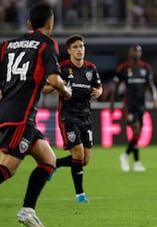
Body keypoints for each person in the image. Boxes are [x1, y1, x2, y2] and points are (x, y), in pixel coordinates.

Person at [0, 2, 72, 227]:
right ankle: (27, 210)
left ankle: (28, 210)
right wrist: (65, 90)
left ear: (29, 22)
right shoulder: (46, 44)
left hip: (10, 113)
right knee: (7, 169)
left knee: (48, 160)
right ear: (50, 23)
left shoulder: (7, 45)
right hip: (21, 116)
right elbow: (53, 77)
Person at [44, 34, 103, 203]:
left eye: (81, 46)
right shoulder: (61, 68)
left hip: (85, 116)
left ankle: (54, 163)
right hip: (68, 116)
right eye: (75, 47)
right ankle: (80, 195)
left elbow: (98, 88)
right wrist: (57, 86)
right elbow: (45, 88)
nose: (79, 49)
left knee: (84, 160)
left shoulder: (91, 69)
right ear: (69, 51)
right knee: (78, 153)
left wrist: (99, 92)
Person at [110, 45, 157, 172]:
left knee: (138, 134)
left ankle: (135, 162)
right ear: (130, 53)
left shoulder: (146, 68)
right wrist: (112, 104)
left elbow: (150, 85)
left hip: (141, 104)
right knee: (136, 131)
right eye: (134, 50)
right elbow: (115, 88)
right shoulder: (123, 69)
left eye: (139, 50)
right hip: (129, 105)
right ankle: (125, 156)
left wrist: (154, 97)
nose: (136, 53)